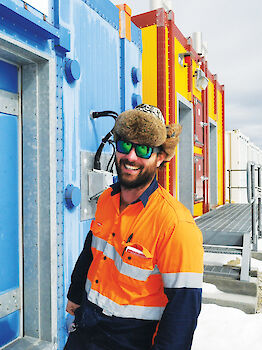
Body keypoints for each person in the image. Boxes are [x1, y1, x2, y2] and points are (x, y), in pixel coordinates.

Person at [64, 104, 204, 350]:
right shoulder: (107, 199)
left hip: (130, 339)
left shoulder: (175, 224)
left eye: (144, 149)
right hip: (87, 326)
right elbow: (92, 250)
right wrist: (76, 295)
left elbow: (184, 308)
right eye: (125, 145)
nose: (131, 157)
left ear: (161, 157)